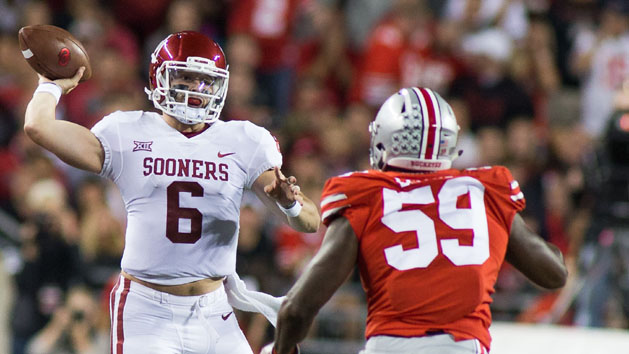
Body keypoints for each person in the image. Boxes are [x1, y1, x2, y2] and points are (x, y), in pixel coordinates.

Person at [23, 30, 320, 354]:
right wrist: (50, 84)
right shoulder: (128, 132)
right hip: (148, 310)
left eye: (204, 81)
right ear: (159, 78)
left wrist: (289, 205)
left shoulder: (243, 140)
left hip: (213, 308)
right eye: (186, 78)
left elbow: (310, 222)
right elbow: (39, 126)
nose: (195, 90)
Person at [268, 87, 568, 354]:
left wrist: (281, 349)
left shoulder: (365, 194)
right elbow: (554, 274)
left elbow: (297, 309)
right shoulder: (485, 191)